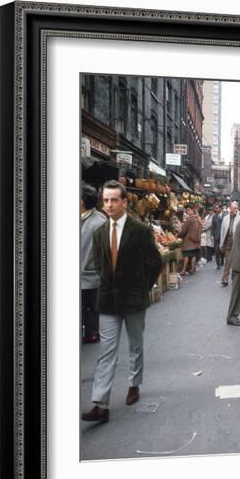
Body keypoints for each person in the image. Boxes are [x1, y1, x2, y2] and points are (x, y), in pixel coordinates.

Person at [82, 181, 163, 423]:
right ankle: (100, 403)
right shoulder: (99, 233)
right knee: (106, 352)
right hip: (107, 300)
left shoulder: (139, 230)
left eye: (114, 200)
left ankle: (134, 384)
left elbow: (155, 262)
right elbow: (99, 264)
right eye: (105, 200)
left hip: (134, 300)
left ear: (124, 202)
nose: (109, 205)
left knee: (135, 345)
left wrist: (143, 287)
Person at [81, 183, 107, 344]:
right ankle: (91, 332)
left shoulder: (99, 222)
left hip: (91, 274)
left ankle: (91, 333)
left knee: (90, 306)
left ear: (82, 201)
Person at [219, 201, 240, 286]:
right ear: (230, 209)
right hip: (227, 241)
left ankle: (234, 277)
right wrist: (221, 244)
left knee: (236, 261)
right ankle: (225, 279)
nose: (236, 209)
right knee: (227, 261)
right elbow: (222, 231)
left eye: (237, 208)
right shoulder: (225, 218)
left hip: (236, 242)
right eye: (234, 208)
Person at [178, 206, 202, 275]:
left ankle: (183, 270)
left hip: (188, 241)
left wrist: (179, 235)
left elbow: (184, 231)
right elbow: (200, 229)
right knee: (193, 255)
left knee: (186, 256)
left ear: (192, 211)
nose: (187, 211)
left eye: (189, 210)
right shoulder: (198, 219)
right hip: (195, 241)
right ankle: (192, 269)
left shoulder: (189, 220)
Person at [211, 203, 224, 269]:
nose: (216, 209)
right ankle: (218, 264)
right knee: (216, 250)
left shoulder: (224, 216)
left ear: (220, 208)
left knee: (221, 250)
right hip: (216, 236)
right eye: (215, 208)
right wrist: (212, 235)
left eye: (217, 208)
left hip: (223, 236)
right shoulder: (214, 216)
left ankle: (222, 260)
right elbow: (212, 226)